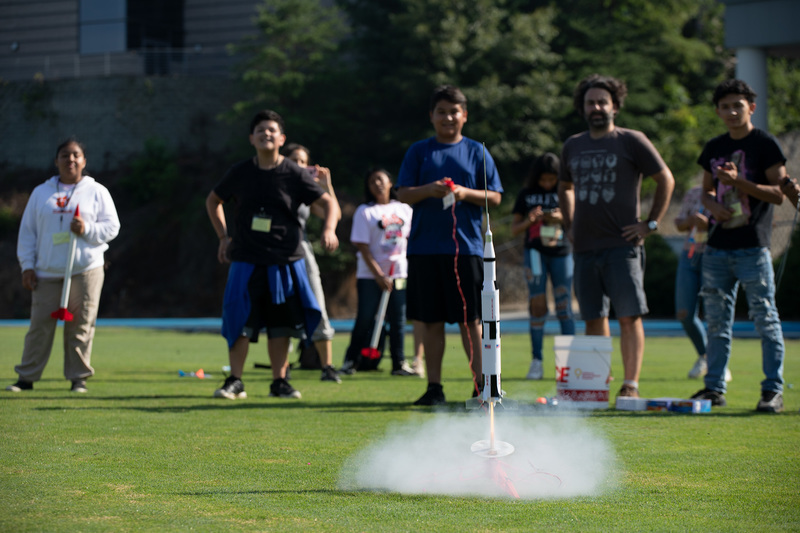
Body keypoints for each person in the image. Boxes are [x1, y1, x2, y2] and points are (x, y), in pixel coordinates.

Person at [205, 110, 339, 400]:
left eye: (272, 130)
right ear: (251, 138)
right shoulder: (240, 172)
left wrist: (329, 229)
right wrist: (223, 237)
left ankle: (280, 382)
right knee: (239, 321)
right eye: (260, 130)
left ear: (281, 138)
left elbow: (329, 203)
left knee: (281, 325)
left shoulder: (294, 173)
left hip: (284, 261)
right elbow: (213, 200)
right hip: (246, 259)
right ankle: (235, 381)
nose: (266, 134)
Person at [558, 74, 675, 399]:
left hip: (623, 246)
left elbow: (665, 178)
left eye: (602, 102)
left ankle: (630, 385)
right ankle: (596, 385)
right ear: (582, 108)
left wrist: (650, 223)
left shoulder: (631, 140)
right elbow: (564, 187)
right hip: (585, 247)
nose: (596, 108)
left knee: (628, 316)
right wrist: (569, 224)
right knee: (593, 319)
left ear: (615, 106)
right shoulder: (573, 145)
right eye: (590, 103)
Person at [396, 84, 504, 406]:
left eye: (454, 111)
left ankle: (481, 386)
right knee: (430, 322)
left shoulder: (477, 151)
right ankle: (434, 388)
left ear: (464, 115)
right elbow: (402, 193)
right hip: (424, 249)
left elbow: (495, 196)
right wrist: (428, 190)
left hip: (467, 249)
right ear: (431, 116)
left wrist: (464, 193)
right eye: (441, 112)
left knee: (471, 321)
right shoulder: (419, 151)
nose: (448, 117)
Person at [690, 79, 787, 413]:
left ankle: (772, 390)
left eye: (738, 105)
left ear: (751, 108)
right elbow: (706, 190)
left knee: (765, 319)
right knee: (716, 322)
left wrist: (738, 182)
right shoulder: (714, 147)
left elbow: (779, 194)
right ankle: (714, 388)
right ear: (717, 111)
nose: (732, 112)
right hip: (717, 248)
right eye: (725, 106)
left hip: (753, 248)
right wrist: (711, 204)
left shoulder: (765, 144)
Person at [6, 138, 120, 394]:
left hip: (85, 269)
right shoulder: (41, 193)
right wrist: (27, 266)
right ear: (56, 161)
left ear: (84, 161)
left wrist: (87, 228)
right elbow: (28, 233)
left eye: (75, 155)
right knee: (39, 326)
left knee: (80, 324)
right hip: (47, 271)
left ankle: (78, 378)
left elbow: (112, 227)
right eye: (65, 155)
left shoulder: (96, 191)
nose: (70, 160)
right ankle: (26, 378)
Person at [340, 168, 416, 376]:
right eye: (372, 181)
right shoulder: (365, 211)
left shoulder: (404, 209)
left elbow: (411, 239)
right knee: (365, 318)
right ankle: (351, 361)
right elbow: (362, 246)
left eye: (381, 180)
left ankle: (399, 363)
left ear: (390, 183)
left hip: (398, 273)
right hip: (370, 275)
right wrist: (379, 275)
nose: (377, 184)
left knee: (398, 319)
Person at [510, 152, 575, 380]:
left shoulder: (567, 191)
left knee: (564, 305)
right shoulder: (526, 194)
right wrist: (530, 220)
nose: (547, 184)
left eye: (552, 179)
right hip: (535, 253)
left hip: (562, 252)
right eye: (543, 179)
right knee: (537, 306)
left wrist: (562, 217)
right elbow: (515, 228)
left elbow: (578, 221)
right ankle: (536, 360)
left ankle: (568, 364)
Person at [283, 143, 341, 383]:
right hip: (275, 252)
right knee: (282, 309)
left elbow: (333, 212)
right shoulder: (274, 182)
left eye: (303, 161)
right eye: (294, 160)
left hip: (302, 250)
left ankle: (327, 367)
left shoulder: (306, 191)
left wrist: (326, 186)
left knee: (317, 303)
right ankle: (282, 368)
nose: (298, 165)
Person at [674, 185, 733, 383]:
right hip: (690, 255)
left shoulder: (731, 192)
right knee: (684, 314)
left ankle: (718, 365)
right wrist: (691, 221)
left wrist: (710, 224)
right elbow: (679, 224)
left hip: (716, 256)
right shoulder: (694, 192)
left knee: (716, 315)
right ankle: (705, 356)